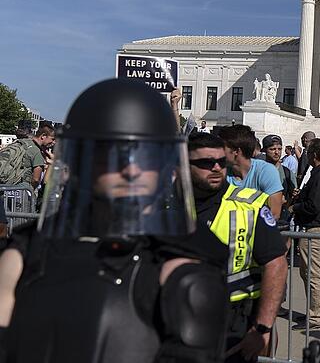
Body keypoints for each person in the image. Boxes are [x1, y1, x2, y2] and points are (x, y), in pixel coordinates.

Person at [0, 78, 227, 362]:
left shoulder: (180, 270)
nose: (131, 170)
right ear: (82, 161)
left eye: (146, 157)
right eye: (114, 156)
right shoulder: (27, 252)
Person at [186, 132, 288, 363]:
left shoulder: (249, 205)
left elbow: (277, 264)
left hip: (233, 326)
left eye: (221, 162)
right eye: (205, 163)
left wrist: (263, 328)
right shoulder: (167, 207)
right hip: (180, 321)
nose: (215, 168)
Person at [291, 138, 320, 331]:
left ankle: (316, 317)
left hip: (316, 229)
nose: (307, 156)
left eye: (309, 153)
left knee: (314, 275)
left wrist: (296, 206)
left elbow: (314, 206)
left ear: (315, 155)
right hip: (313, 228)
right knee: (307, 272)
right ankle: (312, 312)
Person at [220, 124, 284, 218]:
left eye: (222, 148)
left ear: (236, 151)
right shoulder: (220, 171)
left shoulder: (266, 171)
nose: (217, 152)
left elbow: (274, 214)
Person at [262, 134, 296, 219]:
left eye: (279, 149)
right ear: (265, 150)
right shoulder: (259, 171)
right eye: (272, 149)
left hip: (282, 218)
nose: (277, 152)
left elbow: (293, 195)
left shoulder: (287, 172)